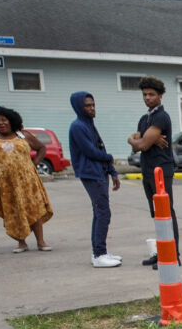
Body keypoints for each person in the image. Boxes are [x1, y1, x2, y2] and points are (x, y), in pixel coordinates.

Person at [0, 106, 54, 253]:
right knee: (13, 210)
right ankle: (21, 243)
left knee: (35, 208)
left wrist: (34, 163)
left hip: (27, 181)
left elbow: (41, 148)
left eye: (4, 120)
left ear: (11, 121)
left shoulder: (23, 135)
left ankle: (41, 241)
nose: (0, 123)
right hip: (5, 184)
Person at [67, 91, 122, 267]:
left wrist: (112, 172)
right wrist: (110, 158)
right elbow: (90, 151)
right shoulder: (78, 126)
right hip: (91, 173)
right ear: (79, 107)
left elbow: (100, 147)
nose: (92, 108)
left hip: (100, 172)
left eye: (93, 105)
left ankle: (100, 251)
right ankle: (99, 254)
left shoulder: (89, 125)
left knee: (100, 212)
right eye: (87, 106)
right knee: (103, 212)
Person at [126, 76, 176, 267]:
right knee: (156, 214)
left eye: (151, 94)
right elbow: (136, 144)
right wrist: (136, 140)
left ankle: (173, 255)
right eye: (145, 94)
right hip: (147, 171)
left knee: (166, 213)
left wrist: (141, 140)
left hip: (161, 171)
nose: (147, 98)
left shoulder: (161, 117)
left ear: (160, 96)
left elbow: (142, 144)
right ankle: (160, 252)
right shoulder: (145, 118)